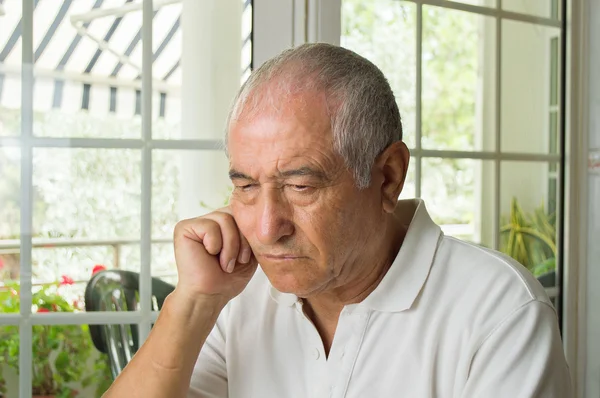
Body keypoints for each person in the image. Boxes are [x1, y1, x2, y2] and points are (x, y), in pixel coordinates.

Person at [105, 43, 572, 397]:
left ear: (388, 178)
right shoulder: (238, 296)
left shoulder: (499, 312)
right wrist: (192, 303)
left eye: (300, 187)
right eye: (246, 185)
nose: (266, 229)